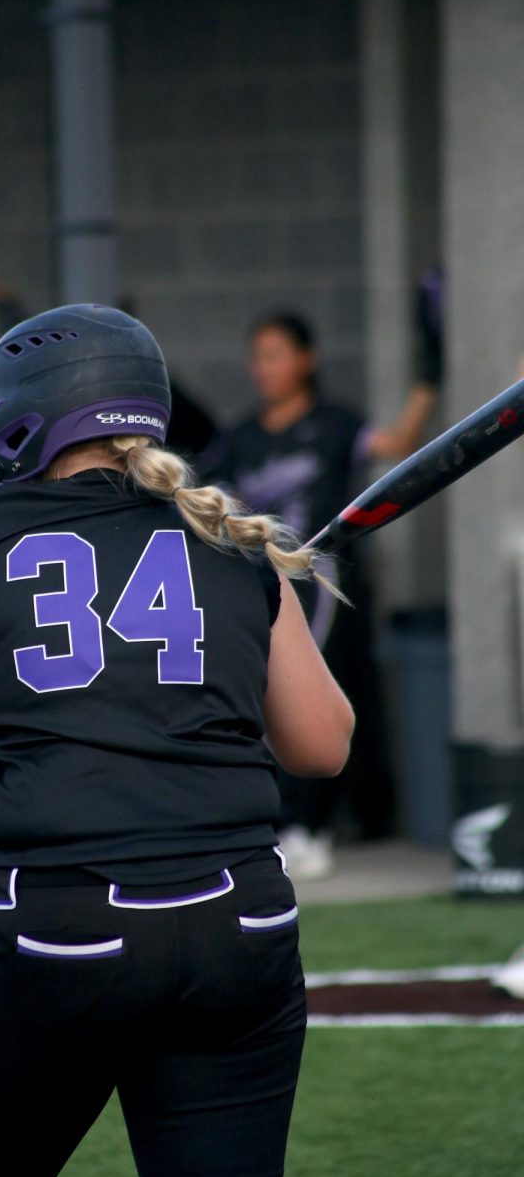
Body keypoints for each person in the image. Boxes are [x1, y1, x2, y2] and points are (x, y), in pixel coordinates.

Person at [0, 304, 354, 1177]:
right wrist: (266, 597)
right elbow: (321, 746)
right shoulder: (232, 541)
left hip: (66, 931)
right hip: (242, 927)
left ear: (32, 416)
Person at [210, 312, 438, 874]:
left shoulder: (336, 424)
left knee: (315, 695)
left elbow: (402, 444)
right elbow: (213, 500)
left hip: (326, 582)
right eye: (257, 357)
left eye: (274, 355)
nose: (263, 369)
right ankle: (288, 822)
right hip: (270, 586)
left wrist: (429, 376)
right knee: (267, 695)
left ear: (305, 360)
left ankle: (311, 825)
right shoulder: (241, 438)